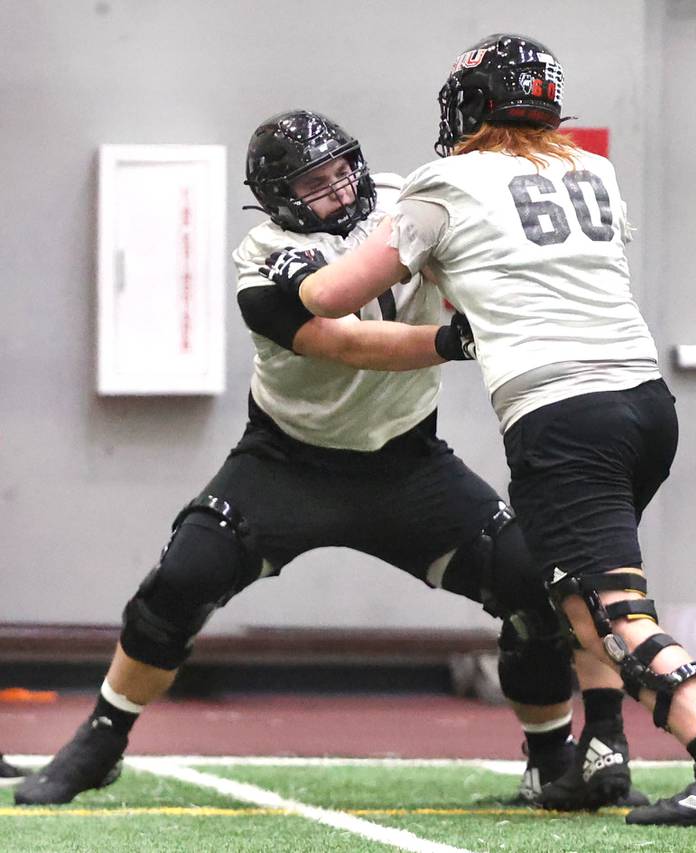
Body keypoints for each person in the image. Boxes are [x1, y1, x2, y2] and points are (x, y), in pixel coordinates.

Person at [14, 108, 641, 809]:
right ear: (279, 196)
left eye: (344, 170)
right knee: (181, 579)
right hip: (288, 461)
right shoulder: (260, 256)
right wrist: (460, 342)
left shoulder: (412, 202)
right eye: (317, 183)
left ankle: (549, 758)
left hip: (409, 461)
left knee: (531, 580)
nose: (342, 190)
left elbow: (476, 256)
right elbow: (339, 343)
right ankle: (101, 739)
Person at [263, 37, 696, 828]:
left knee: (611, 608)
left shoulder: (444, 182)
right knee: (578, 589)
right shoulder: (590, 169)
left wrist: (291, 268)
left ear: (472, 105)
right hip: (644, 404)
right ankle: (605, 747)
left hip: (564, 415)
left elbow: (330, 296)